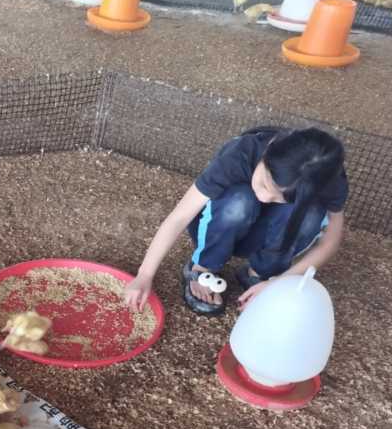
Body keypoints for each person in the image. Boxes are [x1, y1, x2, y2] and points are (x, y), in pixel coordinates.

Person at [124, 127, 348, 316]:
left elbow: (330, 242)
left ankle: (259, 275)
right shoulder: (242, 153)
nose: (265, 197)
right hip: (222, 222)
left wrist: (278, 283)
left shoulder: (328, 180)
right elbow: (180, 216)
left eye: (279, 198)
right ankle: (203, 267)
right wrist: (145, 275)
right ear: (267, 153)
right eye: (264, 184)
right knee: (241, 199)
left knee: (310, 214)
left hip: (268, 235)